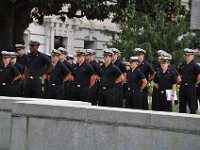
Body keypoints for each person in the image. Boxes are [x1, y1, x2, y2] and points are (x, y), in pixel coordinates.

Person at [178, 48, 200, 114]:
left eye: (188, 55)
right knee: (182, 105)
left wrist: (196, 83)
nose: (187, 57)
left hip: (191, 87)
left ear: (192, 56)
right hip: (182, 87)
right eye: (186, 55)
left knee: (192, 105)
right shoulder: (182, 66)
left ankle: (193, 120)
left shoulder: (195, 66)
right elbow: (179, 75)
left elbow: (199, 75)